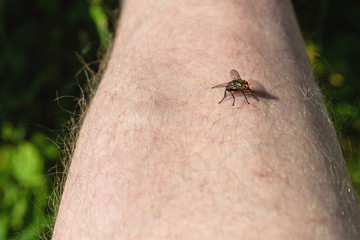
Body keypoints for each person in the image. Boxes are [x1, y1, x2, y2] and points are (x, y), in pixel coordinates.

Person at [52, 0, 360, 239]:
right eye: (244, 89)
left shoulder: (244, 86)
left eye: (245, 89)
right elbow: (235, 86)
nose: (246, 90)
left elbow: (241, 82)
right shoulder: (236, 90)